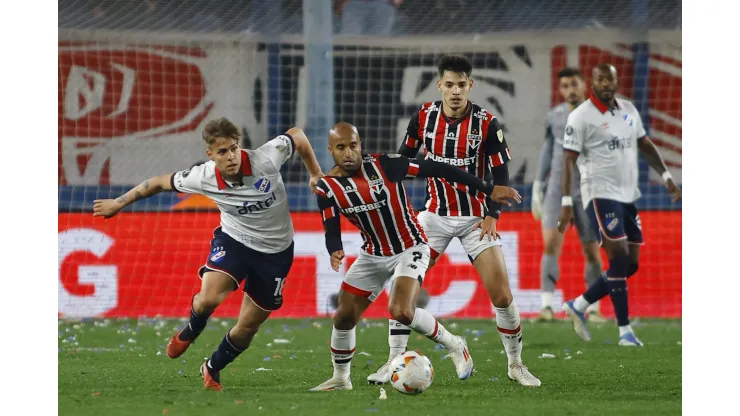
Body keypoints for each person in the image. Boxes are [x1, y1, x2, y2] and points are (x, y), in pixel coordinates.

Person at [92, 117, 324, 390]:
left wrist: (315, 172)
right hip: (235, 241)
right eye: (223, 152)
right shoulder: (202, 176)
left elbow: (296, 135)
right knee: (208, 299)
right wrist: (117, 203)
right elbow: (156, 182)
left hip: (276, 252)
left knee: (248, 327)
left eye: (234, 148)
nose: (231, 156)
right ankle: (192, 329)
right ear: (211, 155)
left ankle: (212, 366)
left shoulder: (266, 158)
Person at [367, 53, 541, 387]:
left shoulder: (487, 123)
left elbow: (501, 175)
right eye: (450, 84)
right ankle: (393, 362)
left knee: (502, 295)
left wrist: (493, 214)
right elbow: (405, 161)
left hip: (476, 217)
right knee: (403, 290)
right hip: (433, 216)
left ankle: (516, 365)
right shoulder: (422, 117)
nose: (456, 91)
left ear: (470, 85)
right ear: (440, 86)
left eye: (462, 84)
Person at [309, 122, 522, 391]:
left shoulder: (387, 165)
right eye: (341, 148)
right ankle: (341, 379)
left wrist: (487, 189)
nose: (349, 152)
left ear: (360, 145)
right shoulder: (327, 188)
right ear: (331, 150)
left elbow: (440, 169)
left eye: (353, 145)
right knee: (343, 316)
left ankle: (455, 344)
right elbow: (331, 225)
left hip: (411, 247)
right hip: (373, 254)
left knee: (401, 309)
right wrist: (335, 249)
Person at [558, 64, 681, 346]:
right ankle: (625, 331)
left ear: (616, 81)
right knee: (618, 259)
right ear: (592, 82)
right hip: (599, 192)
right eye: (600, 79)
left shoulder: (628, 109)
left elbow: (645, 144)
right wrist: (566, 202)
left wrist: (666, 177)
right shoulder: (581, 117)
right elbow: (567, 160)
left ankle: (579, 304)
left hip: (627, 195)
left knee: (631, 264)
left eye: (609, 79)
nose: (605, 84)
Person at [531, 67, 605, 322]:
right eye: (565, 86)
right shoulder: (554, 116)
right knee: (551, 245)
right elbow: (547, 150)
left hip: (587, 191)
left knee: (592, 251)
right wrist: (537, 184)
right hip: (555, 192)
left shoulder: (597, 114)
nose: (570, 90)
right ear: (560, 89)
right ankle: (546, 307)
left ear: (583, 84)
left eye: (574, 84)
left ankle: (593, 308)